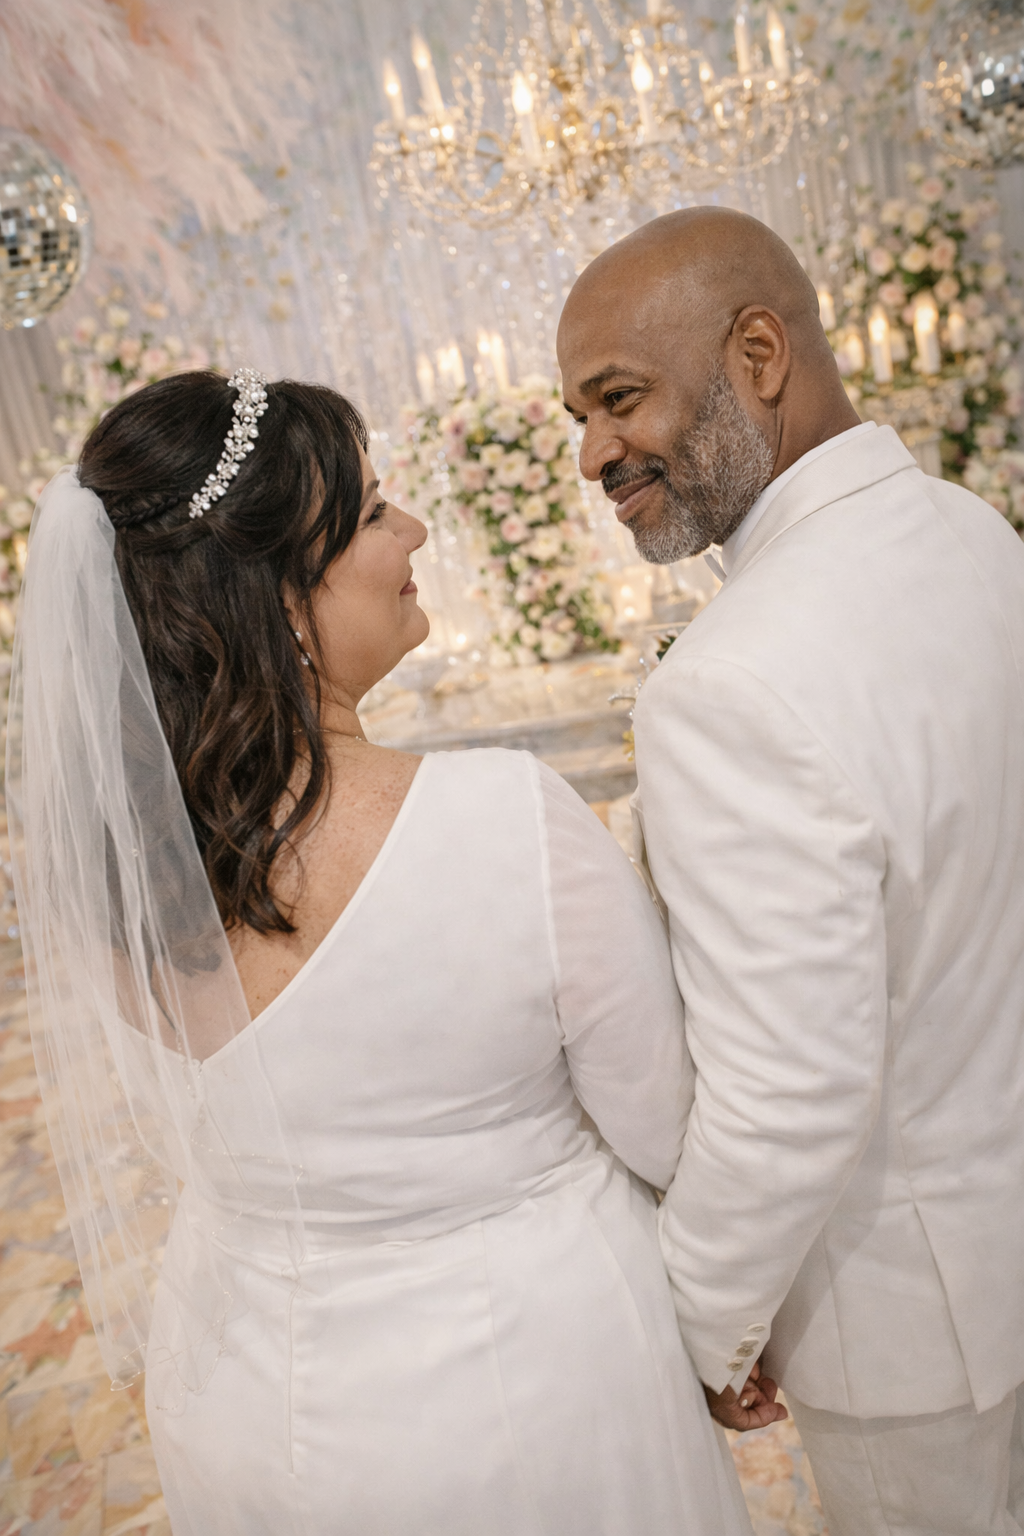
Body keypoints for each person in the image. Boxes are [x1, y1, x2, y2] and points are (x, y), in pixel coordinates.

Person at [8, 369, 755, 1536]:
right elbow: (675, 1133)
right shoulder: (500, 819)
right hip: (526, 1402)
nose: (413, 529)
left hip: (248, 1405)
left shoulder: (125, 892)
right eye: (368, 513)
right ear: (273, 601)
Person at [558, 205, 1024, 1536]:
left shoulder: (729, 684)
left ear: (759, 350)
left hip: (911, 1328)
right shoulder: (975, 534)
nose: (593, 453)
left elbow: (790, 1090)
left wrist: (705, 1321)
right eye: (576, 417)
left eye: (618, 399)